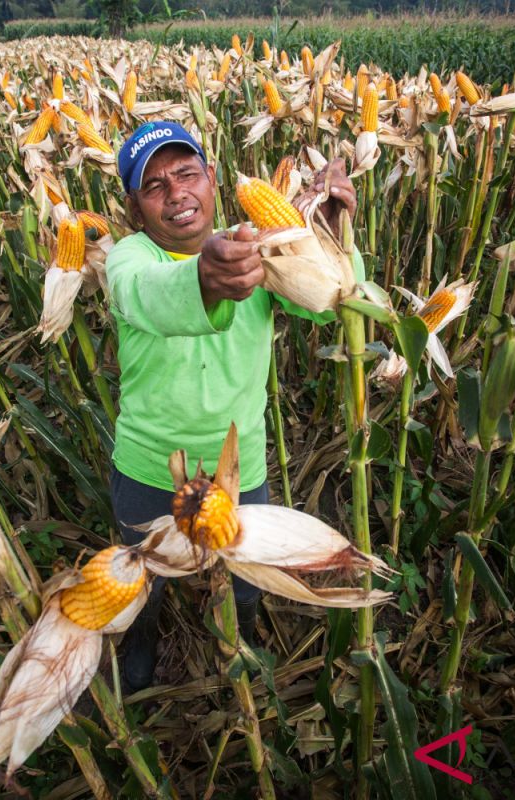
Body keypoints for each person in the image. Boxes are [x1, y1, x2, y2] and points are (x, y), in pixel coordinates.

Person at [105, 120, 364, 692]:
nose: (176, 193)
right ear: (136, 208)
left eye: (187, 173)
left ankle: (240, 634)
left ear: (212, 178)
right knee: (143, 576)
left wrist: (331, 231)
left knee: (246, 578)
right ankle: (139, 643)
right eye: (154, 186)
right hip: (149, 465)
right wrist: (205, 277)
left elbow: (331, 304)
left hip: (238, 465)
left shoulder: (260, 245)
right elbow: (145, 294)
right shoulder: (128, 258)